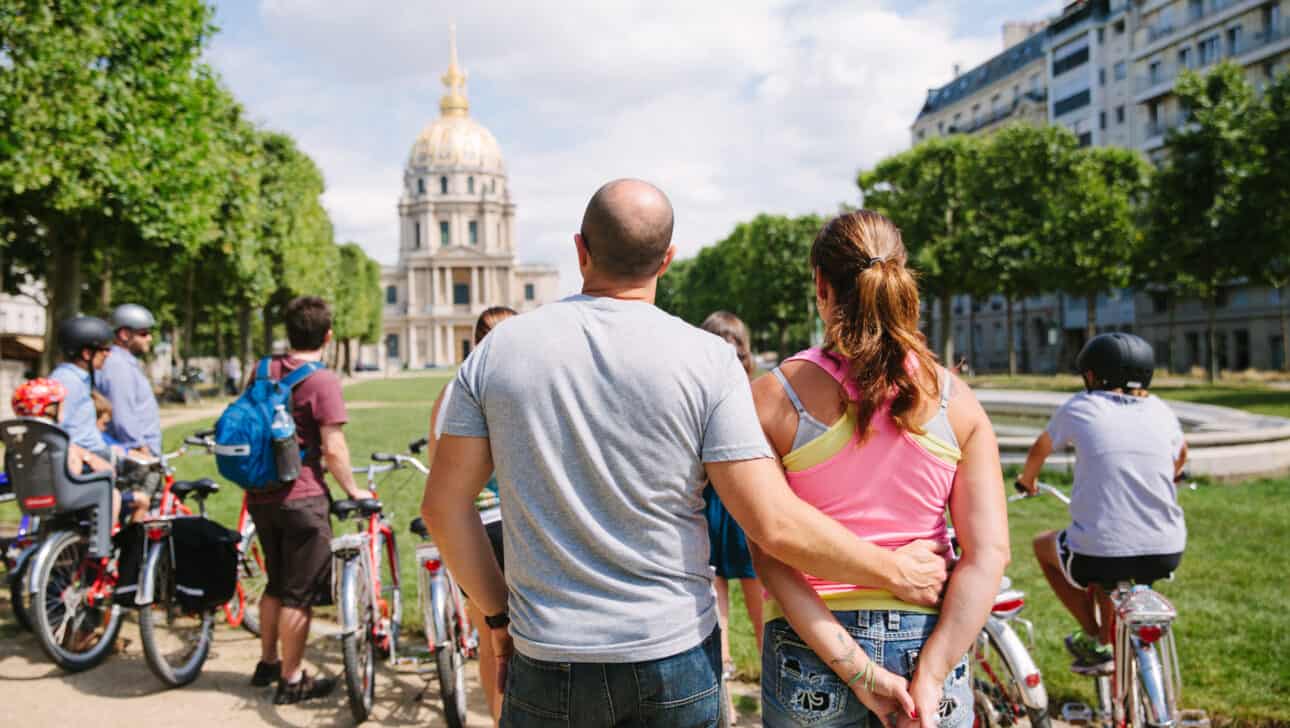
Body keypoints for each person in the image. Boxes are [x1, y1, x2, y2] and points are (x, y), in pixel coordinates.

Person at [421, 179, 949, 728]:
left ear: (581, 251)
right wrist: (894, 570)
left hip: (548, 654)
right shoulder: (708, 360)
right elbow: (772, 522)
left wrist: (499, 618)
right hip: (671, 653)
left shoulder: (498, 351)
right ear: (667, 260)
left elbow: (443, 508)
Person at [750, 211, 1009, 728]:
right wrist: (933, 673)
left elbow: (771, 551)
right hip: (929, 639)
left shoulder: (773, 398)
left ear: (821, 287)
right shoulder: (957, 402)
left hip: (813, 646)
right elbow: (989, 554)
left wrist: (858, 671)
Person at [1016, 333, 1186, 675]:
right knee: (1114, 570)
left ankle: (1093, 634)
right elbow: (1180, 455)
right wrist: (1173, 475)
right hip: (1167, 549)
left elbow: (1041, 448)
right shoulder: (1161, 409)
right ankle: (1112, 644)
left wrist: (1028, 481)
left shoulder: (1081, 405)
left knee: (1045, 547)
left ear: (1092, 376)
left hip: (1099, 552)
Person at [245, 295, 373, 704]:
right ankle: (292, 677)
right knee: (299, 595)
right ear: (328, 335)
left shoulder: (262, 369)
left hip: (260, 495)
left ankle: (266, 663)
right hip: (302, 497)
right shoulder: (321, 380)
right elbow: (333, 448)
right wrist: (354, 491)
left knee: (276, 584)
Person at [425, 305, 517, 725]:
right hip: (515, 525)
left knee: (490, 640)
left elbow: (438, 478)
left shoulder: (449, 393)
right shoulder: (519, 385)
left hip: (472, 531)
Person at [698, 311, 764, 722]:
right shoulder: (755, 395)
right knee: (763, 605)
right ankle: (769, 686)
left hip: (712, 505)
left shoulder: (700, 394)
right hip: (750, 507)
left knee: (717, 605)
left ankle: (723, 700)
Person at [10, 378, 148, 524]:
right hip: (66, 497)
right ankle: (103, 543)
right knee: (112, 494)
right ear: (52, 408)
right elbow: (74, 469)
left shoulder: (20, 441)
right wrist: (90, 461)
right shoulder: (55, 438)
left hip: (31, 499)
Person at [97, 304, 162, 456]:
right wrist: (139, 448)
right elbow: (122, 412)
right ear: (125, 334)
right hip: (137, 454)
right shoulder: (117, 365)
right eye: (144, 333)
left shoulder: (125, 362)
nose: (150, 338)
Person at [49, 316, 116, 460]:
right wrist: (89, 458)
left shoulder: (80, 379)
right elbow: (57, 432)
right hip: (82, 461)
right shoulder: (68, 381)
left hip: (93, 454)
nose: (108, 354)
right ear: (87, 354)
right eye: (104, 349)